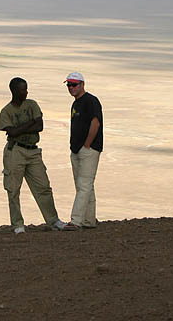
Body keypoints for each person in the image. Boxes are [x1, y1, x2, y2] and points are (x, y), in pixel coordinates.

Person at [0, 77, 68, 233]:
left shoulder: (32, 104)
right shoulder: (6, 111)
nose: (26, 92)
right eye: (23, 89)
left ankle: (53, 220)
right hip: (15, 151)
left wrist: (21, 128)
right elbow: (12, 131)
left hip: (33, 151)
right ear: (14, 91)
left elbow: (40, 126)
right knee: (13, 190)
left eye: (26, 89)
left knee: (43, 187)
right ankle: (18, 225)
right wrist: (30, 124)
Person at [64, 72, 103, 229]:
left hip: (88, 149)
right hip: (76, 149)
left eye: (74, 85)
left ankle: (76, 220)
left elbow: (96, 122)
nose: (71, 88)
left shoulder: (91, 101)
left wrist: (87, 144)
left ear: (82, 85)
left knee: (84, 184)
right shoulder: (76, 104)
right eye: (69, 85)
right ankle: (89, 220)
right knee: (86, 185)